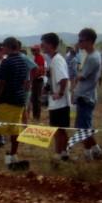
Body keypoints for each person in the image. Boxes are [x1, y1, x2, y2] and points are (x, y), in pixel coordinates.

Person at [0, 37, 29, 170]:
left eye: (3, 46)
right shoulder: (23, 61)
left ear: (8, 47)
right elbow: (25, 81)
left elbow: (1, 83)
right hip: (19, 99)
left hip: (6, 100)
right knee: (14, 130)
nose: (2, 49)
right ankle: (12, 155)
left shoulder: (6, 62)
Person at [73, 27, 102, 160]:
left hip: (86, 96)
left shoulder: (92, 58)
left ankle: (94, 152)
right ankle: (93, 152)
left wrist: (77, 73)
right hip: (85, 95)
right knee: (83, 127)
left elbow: (81, 76)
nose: (79, 43)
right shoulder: (91, 55)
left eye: (81, 40)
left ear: (90, 41)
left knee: (84, 128)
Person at [40, 33, 70, 161]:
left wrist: (60, 93)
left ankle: (58, 154)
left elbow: (64, 79)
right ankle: (64, 153)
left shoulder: (57, 60)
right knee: (61, 130)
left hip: (59, 102)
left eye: (43, 44)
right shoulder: (54, 59)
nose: (42, 46)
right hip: (58, 102)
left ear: (51, 45)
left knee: (57, 130)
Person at [29, 44, 46, 121]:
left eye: (34, 50)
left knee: (37, 99)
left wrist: (32, 79)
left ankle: (37, 116)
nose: (33, 51)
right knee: (34, 99)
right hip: (35, 80)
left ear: (38, 50)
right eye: (32, 50)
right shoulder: (35, 57)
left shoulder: (40, 57)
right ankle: (35, 115)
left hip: (38, 80)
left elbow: (39, 70)